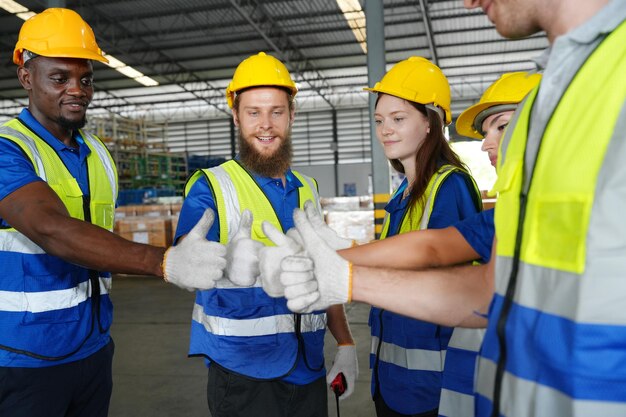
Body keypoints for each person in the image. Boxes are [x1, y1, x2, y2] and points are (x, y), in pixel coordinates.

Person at [278, 0, 626, 416]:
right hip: (408, 377)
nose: (489, 145)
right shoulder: (408, 194)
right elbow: (464, 270)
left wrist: (341, 270)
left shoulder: (450, 183)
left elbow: (438, 258)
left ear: (430, 121)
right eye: (379, 120)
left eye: (398, 118)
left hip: (430, 382)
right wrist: (334, 260)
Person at [0, 8, 228, 417]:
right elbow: (51, 228)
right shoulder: (8, 149)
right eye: (60, 78)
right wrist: (164, 261)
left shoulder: (98, 154)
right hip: (22, 358)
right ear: (26, 77)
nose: (77, 90)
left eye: (85, 79)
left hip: (94, 348)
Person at [173, 52, 356, 417]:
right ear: (236, 116)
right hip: (244, 375)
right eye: (253, 112)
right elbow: (182, 260)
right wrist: (224, 265)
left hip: (308, 366)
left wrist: (346, 342)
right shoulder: (210, 186)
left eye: (276, 111)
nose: (265, 124)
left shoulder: (307, 187)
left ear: (292, 114)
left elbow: (325, 274)